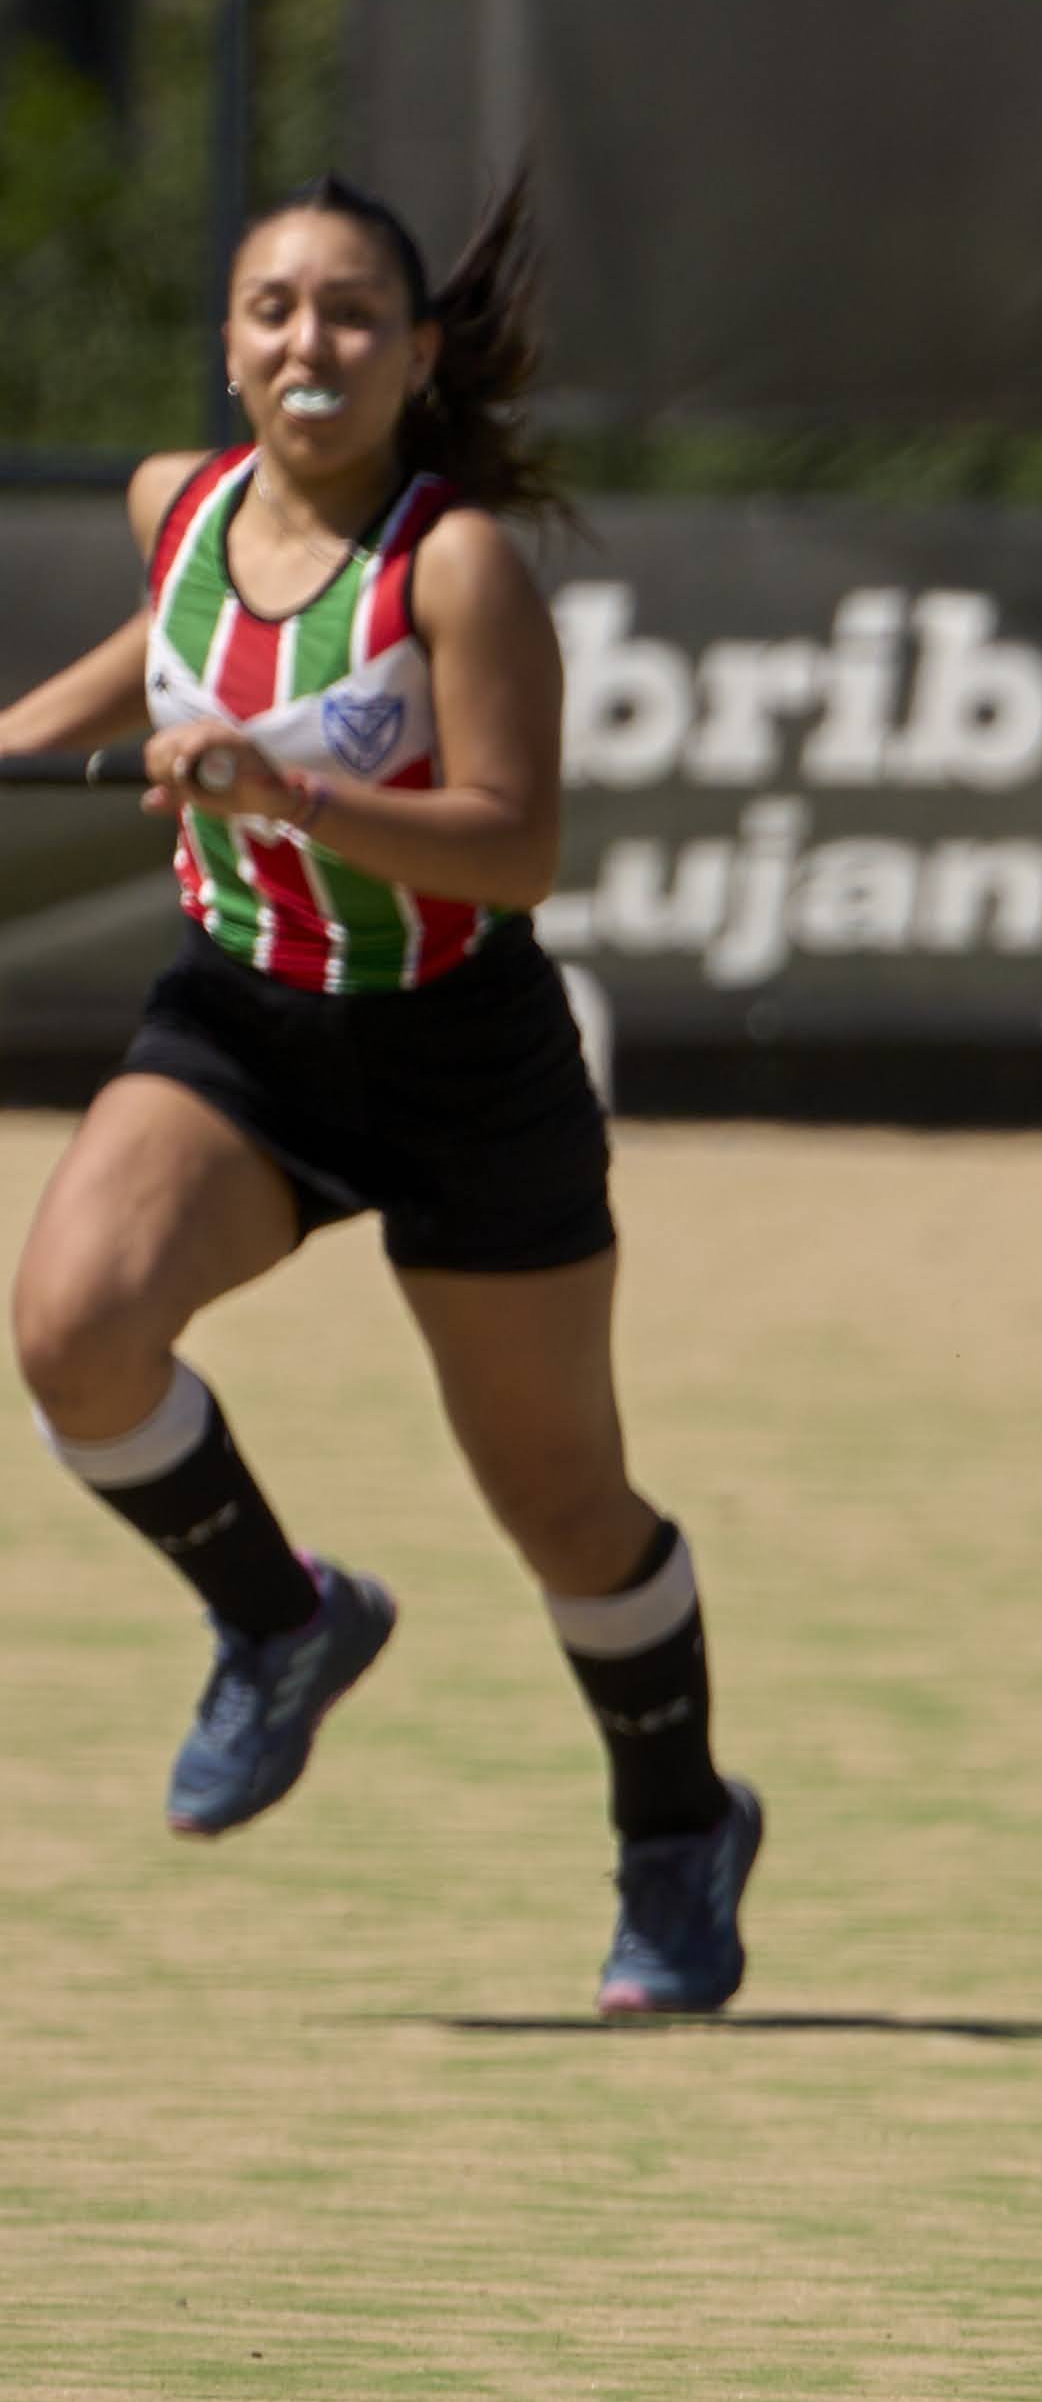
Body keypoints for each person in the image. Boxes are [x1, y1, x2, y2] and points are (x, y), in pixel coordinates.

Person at [0, 173, 761, 2014]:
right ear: (230, 344)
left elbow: (517, 850)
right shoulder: (176, 506)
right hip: (243, 1028)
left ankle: (678, 1830)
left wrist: (298, 795)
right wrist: (14, 738)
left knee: (560, 1502)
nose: (308, 341)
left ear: (418, 356)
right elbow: (162, 654)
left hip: (459, 1060)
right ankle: (283, 1619)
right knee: (74, 1331)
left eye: (351, 312)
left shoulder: (454, 567)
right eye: (273, 307)